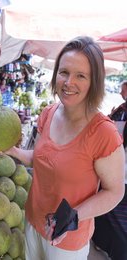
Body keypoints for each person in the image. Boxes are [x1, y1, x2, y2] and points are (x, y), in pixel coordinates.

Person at [0, 36, 125, 260]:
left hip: (68, 240)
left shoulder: (103, 133)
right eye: (64, 72)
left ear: (94, 81)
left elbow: (115, 191)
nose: (68, 82)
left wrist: (75, 216)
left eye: (80, 76)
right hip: (33, 223)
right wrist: (14, 151)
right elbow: (40, 158)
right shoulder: (48, 113)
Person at [92, 80, 127, 260]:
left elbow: (114, 138)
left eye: (123, 91)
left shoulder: (120, 112)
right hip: (117, 172)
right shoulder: (119, 111)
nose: (121, 94)